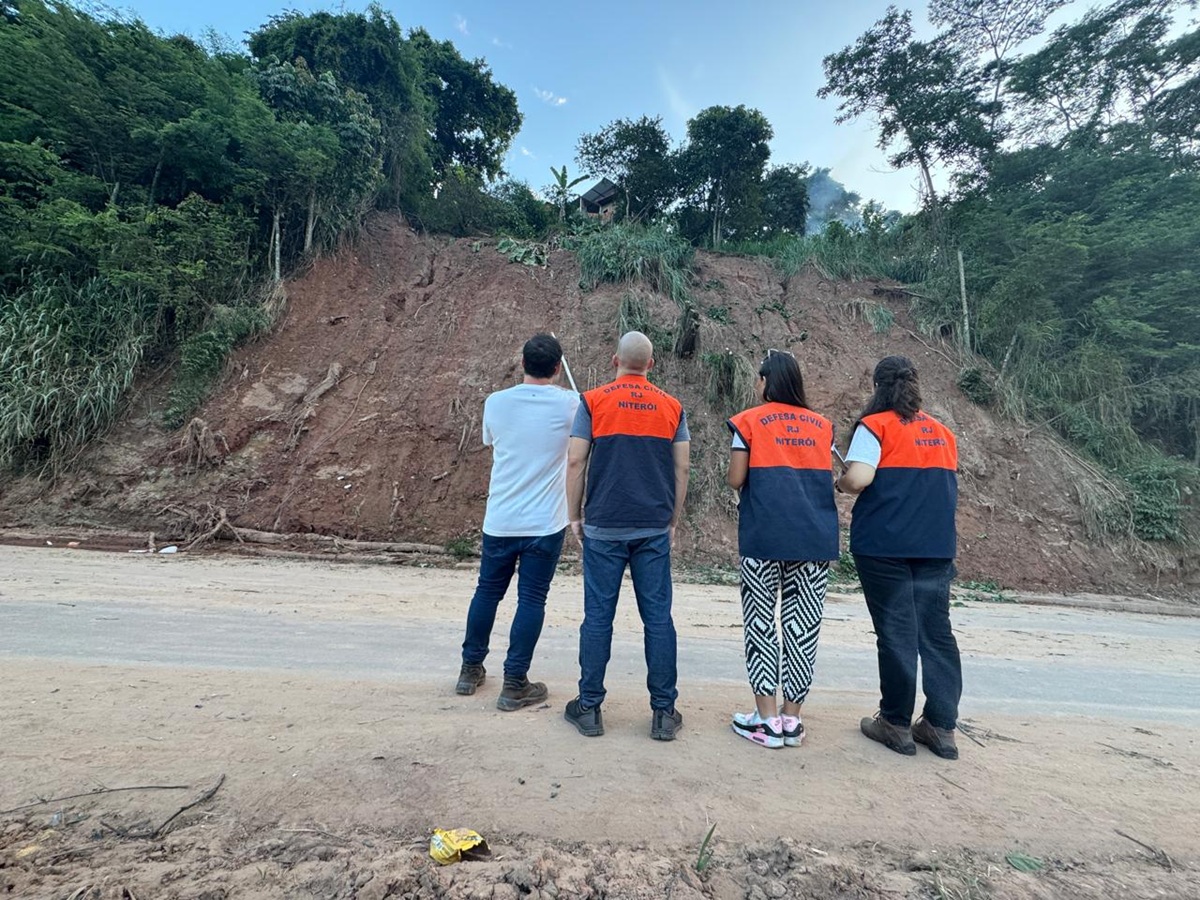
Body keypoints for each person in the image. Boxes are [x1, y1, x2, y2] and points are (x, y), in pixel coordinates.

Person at [563, 331, 690, 740]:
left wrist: (573, 516)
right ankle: (663, 712)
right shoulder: (672, 406)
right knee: (657, 618)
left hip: (603, 525)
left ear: (614, 360)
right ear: (651, 366)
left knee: (598, 615)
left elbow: (576, 459)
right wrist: (673, 521)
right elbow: (682, 469)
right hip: (653, 526)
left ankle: (589, 707)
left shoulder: (594, 401)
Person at [836, 356, 962, 759]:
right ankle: (941, 728)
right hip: (935, 546)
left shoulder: (875, 426)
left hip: (885, 545)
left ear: (878, 387)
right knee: (936, 635)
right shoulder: (942, 431)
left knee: (896, 634)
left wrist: (841, 481)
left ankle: (895, 722)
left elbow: (859, 479)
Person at [455, 334, 580, 711]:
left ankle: (469, 669)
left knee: (487, 591)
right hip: (545, 522)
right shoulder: (573, 404)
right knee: (531, 598)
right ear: (558, 368)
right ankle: (514, 683)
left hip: (501, 519)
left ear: (521, 363)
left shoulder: (496, 402)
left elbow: (493, 441)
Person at [726, 349, 839, 749]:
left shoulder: (750, 421)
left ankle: (766, 719)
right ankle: (792, 720)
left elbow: (736, 478)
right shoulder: (822, 426)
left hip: (764, 536)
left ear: (765, 381)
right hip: (814, 537)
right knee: (802, 626)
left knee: (761, 623)